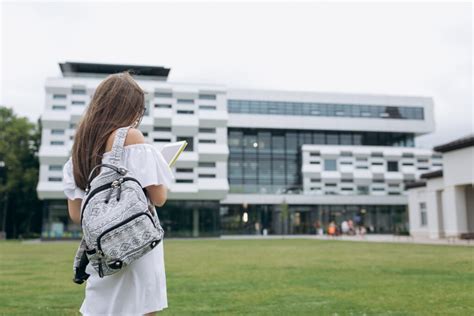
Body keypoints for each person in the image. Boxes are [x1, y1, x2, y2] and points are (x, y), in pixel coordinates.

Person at [63, 72, 174, 316]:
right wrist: (160, 169)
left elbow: (76, 214)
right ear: (130, 108)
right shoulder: (130, 137)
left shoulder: (78, 151)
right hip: (136, 242)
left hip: (102, 249)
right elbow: (158, 198)